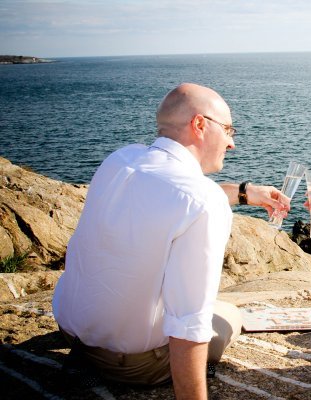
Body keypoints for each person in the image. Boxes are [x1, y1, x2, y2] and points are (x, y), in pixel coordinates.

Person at [52, 83, 290, 399]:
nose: (232, 143)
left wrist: (245, 192)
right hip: (132, 366)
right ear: (200, 124)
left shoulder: (121, 159)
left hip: (72, 334)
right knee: (227, 314)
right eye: (229, 130)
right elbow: (189, 324)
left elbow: (173, 198)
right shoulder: (203, 201)